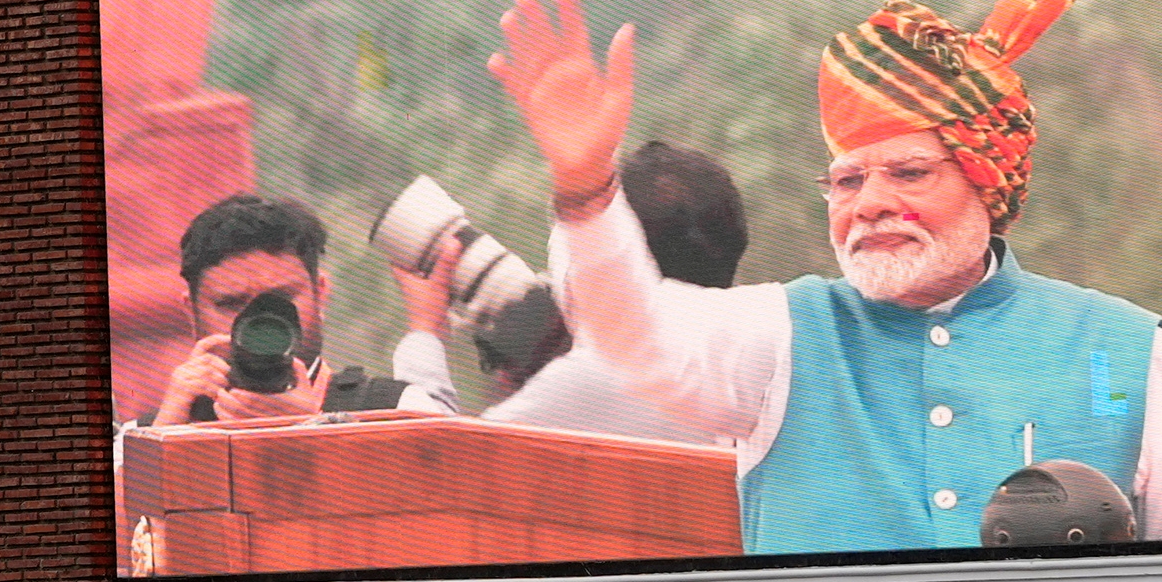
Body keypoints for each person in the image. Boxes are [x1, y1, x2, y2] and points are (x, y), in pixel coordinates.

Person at [491, 0, 1162, 552]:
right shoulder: (782, 337)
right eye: (849, 181)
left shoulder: (1119, 351)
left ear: (986, 184)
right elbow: (635, 332)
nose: (870, 203)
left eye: (909, 173)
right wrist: (587, 189)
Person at [389, 142, 751, 445]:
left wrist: (425, 331)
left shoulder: (597, 376)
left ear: (613, 255)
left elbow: (435, 469)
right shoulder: (754, 346)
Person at [154, 192, 412, 424]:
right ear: (192, 311)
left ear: (319, 294)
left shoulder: (401, 412)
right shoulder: (144, 434)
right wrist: (159, 442)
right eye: (231, 304)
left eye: (281, 300)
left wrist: (310, 429)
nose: (258, 322)